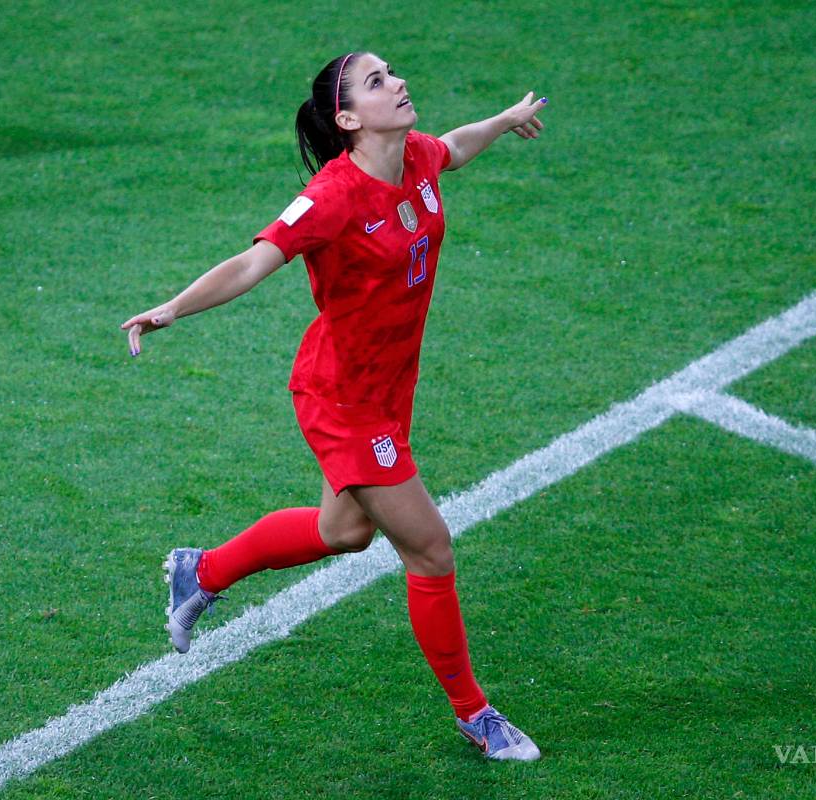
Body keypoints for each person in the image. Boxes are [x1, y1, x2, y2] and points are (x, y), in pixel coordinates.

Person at [120, 51, 547, 761]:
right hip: (344, 399)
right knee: (430, 549)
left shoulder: (413, 155)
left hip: (386, 386)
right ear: (347, 118)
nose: (399, 82)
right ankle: (475, 714)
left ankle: (205, 571)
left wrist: (502, 122)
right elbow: (254, 261)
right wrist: (171, 309)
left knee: (344, 531)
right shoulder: (333, 196)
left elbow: (455, 149)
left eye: (391, 72)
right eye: (377, 82)